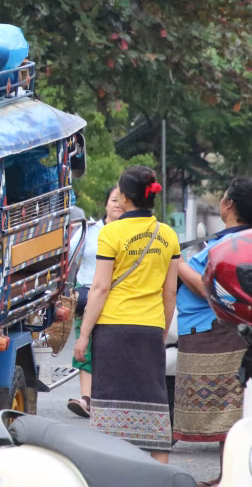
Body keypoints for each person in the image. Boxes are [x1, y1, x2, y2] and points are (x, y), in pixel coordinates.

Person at [73, 166, 181, 463]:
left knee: (109, 410)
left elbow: (100, 288)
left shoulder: (111, 232)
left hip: (113, 331)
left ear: (122, 196)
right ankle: (160, 478)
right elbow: (169, 293)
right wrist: (160, 332)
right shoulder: (168, 235)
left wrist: (83, 336)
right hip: (150, 329)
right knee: (155, 406)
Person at [173, 177, 252, 486]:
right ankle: (225, 476)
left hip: (215, 331)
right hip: (220, 330)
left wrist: (174, 262)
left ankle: (230, 477)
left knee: (229, 413)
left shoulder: (230, 244)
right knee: (230, 412)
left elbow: (205, 287)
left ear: (228, 204)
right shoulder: (241, 239)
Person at [67, 186, 122, 418]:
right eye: (113, 199)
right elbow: (69, 257)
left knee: (112, 348)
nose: (117, 204)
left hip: (117, 298)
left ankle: (110, 397)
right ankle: (86, 398)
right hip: (88, 296)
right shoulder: (88, 230)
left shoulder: (130, 233)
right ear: (105, 204)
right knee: (85, 345)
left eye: (122, 200)